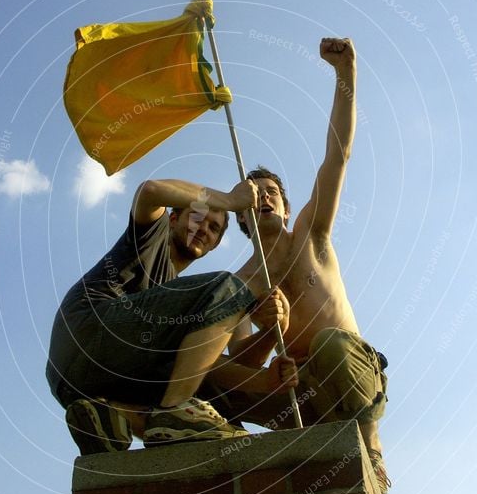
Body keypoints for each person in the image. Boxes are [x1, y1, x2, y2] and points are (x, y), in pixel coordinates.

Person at [205, 38, 391, 494]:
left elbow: (338, 154)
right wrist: (269, 332)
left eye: (271, 191)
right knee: (207, 375)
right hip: (297, 390)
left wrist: (345, 73)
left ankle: (369, 441)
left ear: (286, 208)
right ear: (241, 214)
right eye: (253, 192)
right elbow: (238, 360)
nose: (263, 195)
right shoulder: (242, 282)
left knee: (328, 345)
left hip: (349, 371)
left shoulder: (311, 233)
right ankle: (242, 444)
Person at [46, 177, 299, 455]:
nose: (204, 229)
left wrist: (265, 382)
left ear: (215, 245)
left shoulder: (174, 306)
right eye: (197, 218)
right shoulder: (151, 237)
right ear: (173, 218)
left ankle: (112, 416)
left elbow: (207, 365)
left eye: (214, 228)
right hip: (88, 330)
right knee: (230, 288)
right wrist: (228, 201)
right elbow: (149, 191)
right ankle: (175, 409)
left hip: (75, 386)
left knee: (196, 384)